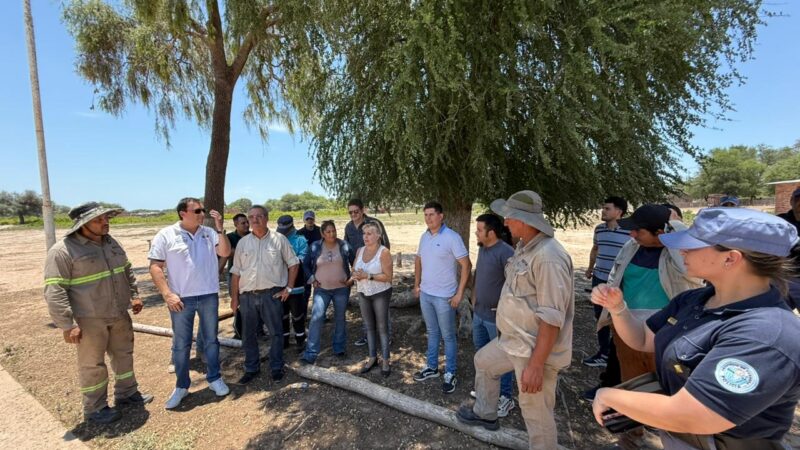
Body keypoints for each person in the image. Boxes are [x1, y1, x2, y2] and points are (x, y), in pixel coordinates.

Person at [591, 207, 800, 449]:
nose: (682, 250)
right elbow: (641, 339)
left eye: (693, 245)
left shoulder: (767, 334)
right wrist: (618, 308)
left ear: (730, 258)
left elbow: (693, 415)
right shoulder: (694, 300)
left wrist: (610, 395)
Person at [456, 190, 574, 450]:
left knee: (535, 411)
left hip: (534, 349)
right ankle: (486, 413)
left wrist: (536, 365)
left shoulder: (549, 257)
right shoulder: (525, 248)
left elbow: (552, 318)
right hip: (515, 341)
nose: (505, 222)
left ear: (524, 220)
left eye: (509, 217)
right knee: (484, 362)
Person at [44, 202, 153, 424]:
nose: (105, 223)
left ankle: (127, 393)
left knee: (124, 354)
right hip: (89, 319)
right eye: (99, 220)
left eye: (106, 219)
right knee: (93, 364)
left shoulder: (111, 243)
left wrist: (134, 295)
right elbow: (54, 290)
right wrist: (67, 324)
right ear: (83, 224)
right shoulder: (62, 251)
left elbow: (126, 270)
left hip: (118, 313)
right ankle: (95, 408)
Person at [149, 197, 231, 409]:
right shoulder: (166, 235)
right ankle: (182, 386)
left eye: (202, 210)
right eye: (197, 211)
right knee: (181, 344)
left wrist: (220, 229)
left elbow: (224, 252)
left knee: (212, 340)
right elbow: (155, 267)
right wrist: (167, 294)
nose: (202, 214)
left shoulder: (209, 233)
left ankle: (214, 378)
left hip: (208, 295)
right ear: (182, 213)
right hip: (180, 299)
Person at [230, 206, 299, 384]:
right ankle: (251, 368)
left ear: (266, 218)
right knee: (248, 334)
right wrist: (234, 298)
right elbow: (236, 272)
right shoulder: (243, 243)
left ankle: (276, 367)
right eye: (251, 217)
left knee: (276, 333)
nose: (254, 220)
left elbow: (294, 263)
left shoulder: (280, 239)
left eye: (259, 216)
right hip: (247, 297)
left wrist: (289, 288)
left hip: (272, 295)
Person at [412, 201, 471, 394]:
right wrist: (417, 284)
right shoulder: (424, 237)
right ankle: (432, 367)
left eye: (432, 214)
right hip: (426, 294)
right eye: (426, 215)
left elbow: (466, 265)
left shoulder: (452, 237)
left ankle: (450, 372)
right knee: (432, 331)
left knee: (448, 335)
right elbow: (419, 260)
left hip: (445, 297)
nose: (428, 218)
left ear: (441, 216)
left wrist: (459, 293)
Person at [469, 213, 516, 417]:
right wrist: (474, 295)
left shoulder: (506, 253)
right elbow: (479, 273)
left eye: (479, 230)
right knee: (482, 356)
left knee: (501, 360)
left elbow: (514, 286)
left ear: (491, 232)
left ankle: (506, 397)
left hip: (496, 319)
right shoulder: (482, 249)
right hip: (478, 314)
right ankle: (485, 394)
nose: (476, 233)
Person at [583, 196, 631, 368]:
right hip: (599, 279)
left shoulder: (629, 232)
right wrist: (590, 268)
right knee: (600, 317)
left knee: (618, 318)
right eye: (603, 208)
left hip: (619, 282)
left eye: (607, 208)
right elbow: (595, 249)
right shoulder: (599, 230)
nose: (603, 211)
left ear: (619, 212)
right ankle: (603, 353)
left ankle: (618, 355)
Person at [300, 220, 355, 364]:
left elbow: (355, 263)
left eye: (334, 230)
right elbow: (305, 265)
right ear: (322, 234)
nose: (332, 234)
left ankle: (339, 348)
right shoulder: (315, 247)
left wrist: (351, 280)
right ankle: (311, 352)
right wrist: (312, 279)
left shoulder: (344, 245)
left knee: (340, 318)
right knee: (317, 318)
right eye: (328, 231)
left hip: (341, 289)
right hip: (321, 290)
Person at [344, 198, 391, 346]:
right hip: (359, 273)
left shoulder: (374, 224)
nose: (353, 214)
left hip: (376, 271)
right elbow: (347, 248)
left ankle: (387, 336)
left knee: (382, 308)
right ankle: (367, 335)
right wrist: (352, 270)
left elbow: (385, 244)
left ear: (363, 210)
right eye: (350, 212)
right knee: (365, 309)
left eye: (356, 211)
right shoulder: (348, 227)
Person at [353, 222, 394, 377]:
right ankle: (372, 358)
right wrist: (355, 274)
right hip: (363, 291)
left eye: (370, 233)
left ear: (378, 236)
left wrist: (368, 276)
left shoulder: (384, 252)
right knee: (368, 327)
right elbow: (354, 268)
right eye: (364, 233)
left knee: (382, 328)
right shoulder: (359, 250)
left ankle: (385, 360)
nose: (366, 236)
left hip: (380, 293)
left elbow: (388, 277)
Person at [276, 215, 309, 351]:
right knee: (282, 314)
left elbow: (301, 259)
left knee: (297, 314)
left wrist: (288, 261)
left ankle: (300, 340)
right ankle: (284, 340)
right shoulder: (275, 239)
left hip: (297, 284)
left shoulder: (300, 240)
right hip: (279, 284)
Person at [223, 213, 250, 340]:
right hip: (235, 276)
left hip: (251, 276)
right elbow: (228, 253)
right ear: (235, 224)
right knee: (237, 303)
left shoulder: (252, 235)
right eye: (242, 223)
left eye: (247, 222)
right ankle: (239, 332)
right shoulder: (229, 237)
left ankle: (257, 330)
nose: (246, 225)